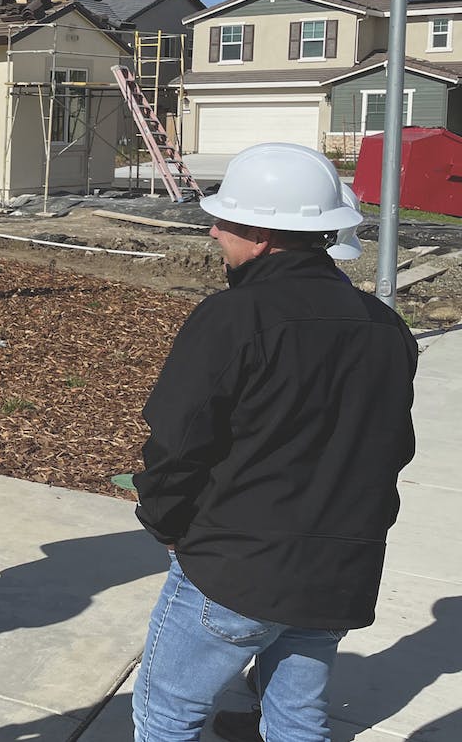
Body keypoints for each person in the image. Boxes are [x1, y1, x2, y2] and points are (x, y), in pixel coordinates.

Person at [131, 143, 418, 742]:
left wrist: (169, 525)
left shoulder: (234, 316)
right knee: (295, 715)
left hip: (237, 565)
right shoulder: (384, 326)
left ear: (261, 233)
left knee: (167, 714)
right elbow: (392, 449)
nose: (213, 231)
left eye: (225, 220)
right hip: (335, 570)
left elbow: (177, 448)